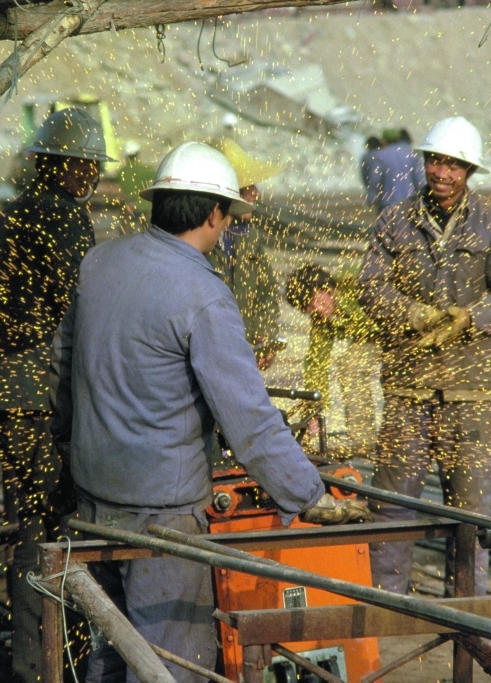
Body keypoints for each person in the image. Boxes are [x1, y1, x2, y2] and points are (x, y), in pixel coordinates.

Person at [50, 141, 371, 683]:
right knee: (168, 662)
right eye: (227, 216)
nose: (226, 228)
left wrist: (69, 447)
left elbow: (63, 366)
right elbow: (250, 421)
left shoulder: (100, 261)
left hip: (91, 497)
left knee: (107, 651)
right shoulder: (203, 294)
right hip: (163, 516)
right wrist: (310, 496)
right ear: (212, 213)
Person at [0, 107, 112, 683]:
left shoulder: (12, 215)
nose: (93, 177)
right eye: (88, 166)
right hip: (37, 394)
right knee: (50, 528)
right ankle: (44, 663)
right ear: (67, 167)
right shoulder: (68, 220)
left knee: (30, 519)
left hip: (5, 390)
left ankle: (44, 655)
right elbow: (78, 315)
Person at [358, 116, 491, 597]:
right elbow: (371, 287)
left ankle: (467, 613)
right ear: (425, 163)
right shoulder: (394, 221)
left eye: (454, 165)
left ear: (469, 170)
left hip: (472, 391)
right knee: (391, 506)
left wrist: (467, 319)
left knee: (469, 514)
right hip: (408, 388)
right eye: (436, 161)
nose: (443, 173)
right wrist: (412, 315)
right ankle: (386, 603)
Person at [285, 264, 382, 457]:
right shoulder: (321, 317)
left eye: (314, 304)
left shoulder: (357, 283)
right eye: (308, 310)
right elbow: (316, 363)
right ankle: (364, 439)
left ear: (326, 290)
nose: (314, 312)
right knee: (350, 366)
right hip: (373, 337)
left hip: (401, 327)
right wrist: (313, 411)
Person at [211, 138, 284, 368]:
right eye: (249, 187)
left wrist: (264, 334)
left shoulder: (249, 237)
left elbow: (268, 290)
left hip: (244, 351)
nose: (256, 193)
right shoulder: (201, 241)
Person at [363, 127, 426, 214]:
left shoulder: (380, 156)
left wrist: (371, 198)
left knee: (386, 226)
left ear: (384, 140)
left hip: (387, 202)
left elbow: (375, 180)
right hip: (409, 201)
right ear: (398, 139)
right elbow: (420, 179)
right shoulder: (411, 154)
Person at [116, 139, 153, 226]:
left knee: (126, 231)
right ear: (137, 153)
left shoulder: (122, 171)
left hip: (128, 206)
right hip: (143, 206)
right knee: (145, 231)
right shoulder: (145, 169)